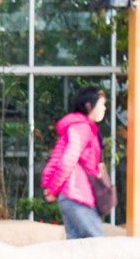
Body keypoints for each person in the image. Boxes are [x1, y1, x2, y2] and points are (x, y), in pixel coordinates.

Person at [41, 86, 110, 240]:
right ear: (89, 105)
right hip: (77, 195)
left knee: (75, 247)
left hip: (70, 196)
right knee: (99, 242)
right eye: (101, 104)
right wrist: (53, 189)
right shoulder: (82, 128)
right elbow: (67, 160)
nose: (104, 109)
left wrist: (53, 188)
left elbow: (59, 158)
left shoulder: (78, 127)